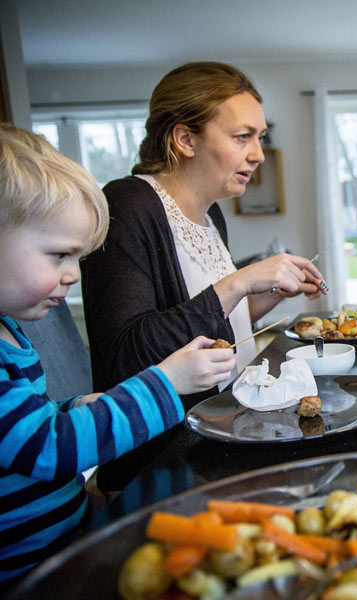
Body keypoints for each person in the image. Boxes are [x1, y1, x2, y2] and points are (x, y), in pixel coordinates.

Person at [0, 124, 236, 582]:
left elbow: (24, 430)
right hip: (27, 576)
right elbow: (50, 447)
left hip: (63, 540)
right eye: (58, 256)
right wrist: (169, 381)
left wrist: (71, 409)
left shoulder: (10, 332)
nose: (72, 276)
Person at [80, 62, 325, 490]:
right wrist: (240, 280)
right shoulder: (127, 205)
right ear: (185, 139)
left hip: (227, 433)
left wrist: (269, 295)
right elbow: (126, 355)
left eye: (260, 138)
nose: (258, 154)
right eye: (241, 136)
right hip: (161, 466)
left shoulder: (211, 217)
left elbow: (211, 320)